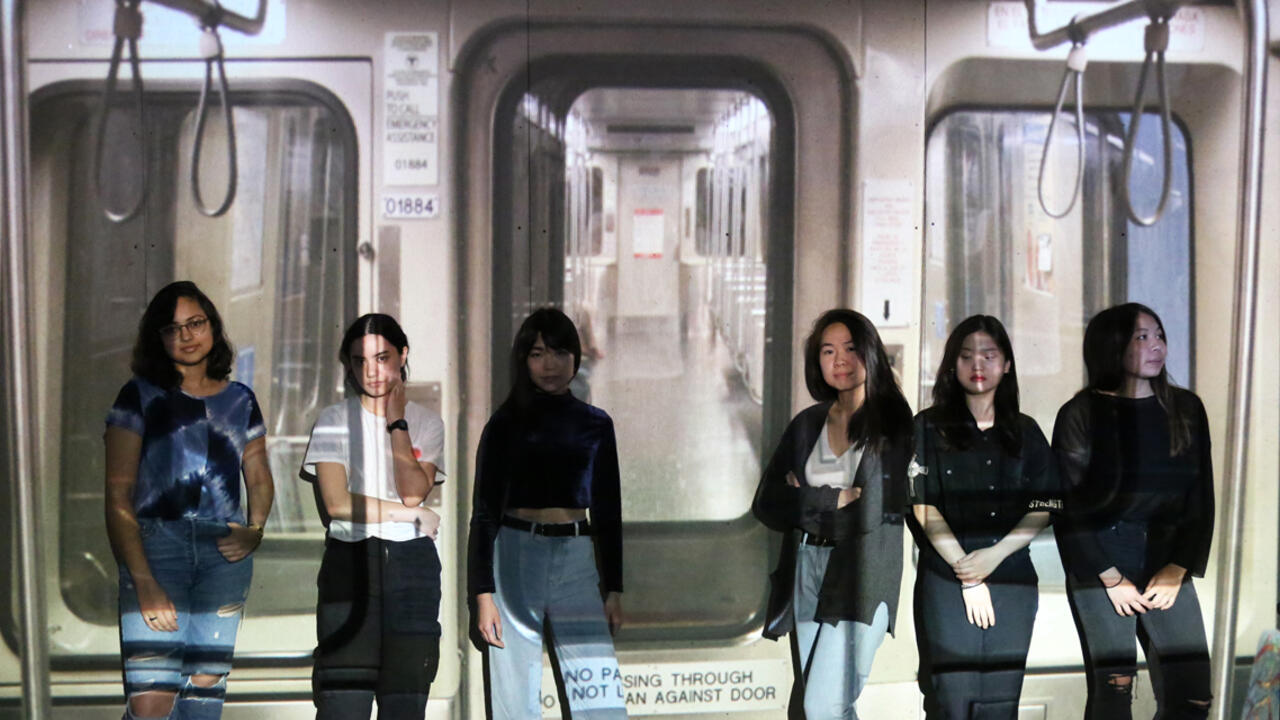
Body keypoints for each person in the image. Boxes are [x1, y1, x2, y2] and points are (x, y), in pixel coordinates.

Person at [105, 280, 273, 720]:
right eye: (172, 328)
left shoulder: (241, 400)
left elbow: (258, 476)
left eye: (195, 323)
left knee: (204, 690)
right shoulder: (139, 395)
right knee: (152, 699)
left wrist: (255, 530)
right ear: (157, 339)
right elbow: (118, 492)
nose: (186, 335)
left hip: (223, 554)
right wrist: (142, 578)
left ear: (212, 327)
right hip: (156, 547)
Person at [1054, 303, 1214, 717]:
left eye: (1159, 334)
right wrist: (1109, 576)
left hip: (1167, 558)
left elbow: (1201, 496)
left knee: (1193, 694)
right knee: (1115, 691)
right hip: (1103, 558)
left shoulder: (1186, 407)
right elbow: (1068, 507)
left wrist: (1179, 566)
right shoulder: (1081, 413)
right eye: (1142, 337)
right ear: (1113, 346)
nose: (1156, 345)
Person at [752, 308, 913, 720]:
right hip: (805, 569)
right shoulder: (808, 424)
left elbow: (868, 516)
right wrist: (830, 499)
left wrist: (803, 499)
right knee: (824, 708)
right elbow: (767, 503)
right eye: (827, 350)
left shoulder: (893, 424)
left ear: (871, 354)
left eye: (851, 348)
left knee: (822, 705)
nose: (839, 359)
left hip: (860, 575)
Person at [468, 307, 626, 719]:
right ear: (524, 361)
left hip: (576, 557)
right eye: (537, 354)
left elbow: (608, 510)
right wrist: (482, 593)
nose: (549, 365)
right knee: (514, 699)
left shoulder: (596, 424)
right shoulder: (504, 423)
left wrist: (614, 588)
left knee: (601, 700)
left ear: (576, 356)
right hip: (517, 554)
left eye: (558, 352)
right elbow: (484, 514)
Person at [908, 315, 1059, 719]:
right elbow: (921, 502)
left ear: (1007, 364)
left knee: (1000, 703)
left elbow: (1050, 504)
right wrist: (967, 571)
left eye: (989, 355)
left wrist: (994, 556)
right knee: (949, 700)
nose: (978, 365)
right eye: (967, 356)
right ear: (952, 364)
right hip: (946, 576)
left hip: (1011, 577)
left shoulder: (1026, 432)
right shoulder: (927, 426)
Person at [300, 313, 446, 720]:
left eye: (382, 358)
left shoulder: (426, 423)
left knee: (406, 701)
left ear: (402, 356)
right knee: (342, 701)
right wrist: (409, 515)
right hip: (351, 559)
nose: (372, 371)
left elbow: (416, 490)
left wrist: (397, 423)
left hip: (412, 566)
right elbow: (337, 503)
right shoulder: (333, 419)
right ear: (348, 365)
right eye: (360, 360)